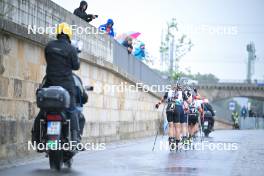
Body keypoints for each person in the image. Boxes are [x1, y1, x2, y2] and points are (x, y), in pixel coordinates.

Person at [32, 22, 80, 145]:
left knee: (43, 111)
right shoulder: (71, 49)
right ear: (69, 34)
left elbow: (49, 61)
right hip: (66, 86)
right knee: (72, 111)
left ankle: (36, 138)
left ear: (58, 32)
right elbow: (76, 66)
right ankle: (75, 140)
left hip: (49, 85)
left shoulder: (49, 46)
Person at [155, 85, 181, 151]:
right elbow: (188, 102)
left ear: (173, 87)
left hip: (169, 107)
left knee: (171, 126)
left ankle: (171, 142)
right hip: (177, 108)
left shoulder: (168, 92)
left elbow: (163, 98)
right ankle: (177, 144)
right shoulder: (181, 92)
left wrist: (158, 104)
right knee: (177, 127)